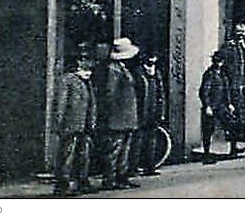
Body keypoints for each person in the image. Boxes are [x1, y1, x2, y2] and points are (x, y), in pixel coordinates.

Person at [100, 38, 142, 189]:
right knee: (115, 150)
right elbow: (109, 94)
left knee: (123, 149)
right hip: (118, 117)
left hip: (125, 117)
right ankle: (111, 179)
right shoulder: (114, 70)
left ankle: (121, 177)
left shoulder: (121, 68)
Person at [53, 54, 96, 195]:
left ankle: (82, 182)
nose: (90, 63)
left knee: (84, 154)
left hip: (85, 123)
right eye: (87, 60)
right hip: (71, 124)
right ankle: (63, 185)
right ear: (79, 62)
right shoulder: (67, 79)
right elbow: (61, 103)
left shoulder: (86, 79)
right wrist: (59, 122)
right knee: (67, 155)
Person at [198, 50, 244, 163]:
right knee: (208, 130)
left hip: (222, 106)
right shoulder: (209, 74)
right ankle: (207, 154)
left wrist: (229, 103)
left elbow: (226, 91)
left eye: (221, 61)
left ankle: (233, 149)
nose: (219, 63)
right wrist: (207, 105)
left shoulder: (223, 75)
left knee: (232, 125)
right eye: (217, 61)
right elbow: (204, 91)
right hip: (212, 106)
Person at [134, 52, 168, 176]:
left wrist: (161, 111)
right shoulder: (138, 73)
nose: (152, 63)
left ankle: (150, 166)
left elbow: (161, 94)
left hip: (153, 111)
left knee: (151, 140)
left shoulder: (156, 73)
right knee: (138, 140)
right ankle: (133, 167)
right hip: (141, 111)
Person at [218, 22, 245, 126]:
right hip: (233, 78)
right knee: (234, 101)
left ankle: (244, 125)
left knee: (244, 102)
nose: (241, 34)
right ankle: (237, 126)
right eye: (238, 31)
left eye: (243, 32)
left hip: (244, 79)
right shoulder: (229, 46)